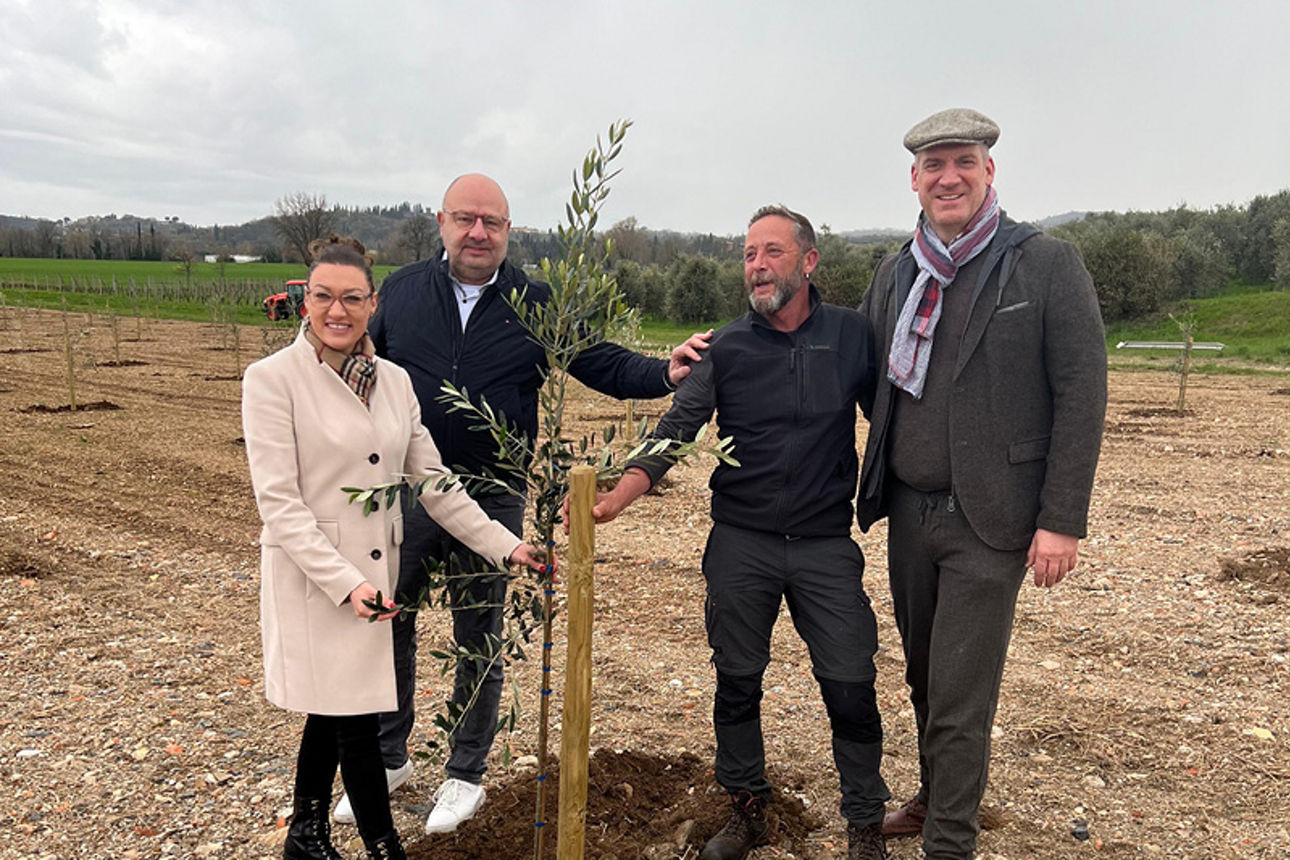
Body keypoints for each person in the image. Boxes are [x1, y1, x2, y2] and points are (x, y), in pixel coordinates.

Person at [340, 173, 712, 834]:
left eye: (494, 222)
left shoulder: (534, 301)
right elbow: (360, 371)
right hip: (409, 487)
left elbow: (596, 360)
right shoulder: (398, 293)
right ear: (442, 222)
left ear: (508, 232)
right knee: (387, 619)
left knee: (478, 635)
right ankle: (389, 756)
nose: (479, 233)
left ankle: (463, 774)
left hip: (492, 492)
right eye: (467, 219)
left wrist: (664, 370)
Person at [590, 206, 890, 860]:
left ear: (808, 262)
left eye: (772, 252)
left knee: (850, 682)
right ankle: (747, 808)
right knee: (737, 679)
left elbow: (892, 420)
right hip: (741, 543)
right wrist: (619, 497)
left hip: (823, 545)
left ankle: (866, 824)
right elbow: (678, 427)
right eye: (750, 254)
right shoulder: (725, 347)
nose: (757, 265)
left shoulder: (851, 337)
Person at [241, 235, 548, 860]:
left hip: (373, 574)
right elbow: (280, 503)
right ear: (305, 301)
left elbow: (435, 484)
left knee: (335, 713)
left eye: (352, 297)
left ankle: (306, 835)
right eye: (323, 295)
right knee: (350, 719)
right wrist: (344, 583)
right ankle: (384, 848)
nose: (337, 310)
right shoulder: (272, 381)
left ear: (372, 303)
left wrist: (506, 546)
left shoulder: (395, 382)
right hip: (318, 579)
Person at [856, 108, 1107, 859]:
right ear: (914, 180)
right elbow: (863, 375)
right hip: (908, 511)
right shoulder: (897, 272)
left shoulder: (1044, 264)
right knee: (927, 677)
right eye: (933, 166)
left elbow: (1082, 393)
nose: (949, 177)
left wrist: (1061, 519)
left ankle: (950, 843)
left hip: (991, 520)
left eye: (963, 161)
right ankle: (938, 796)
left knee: (962, 695)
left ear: (989, 171)